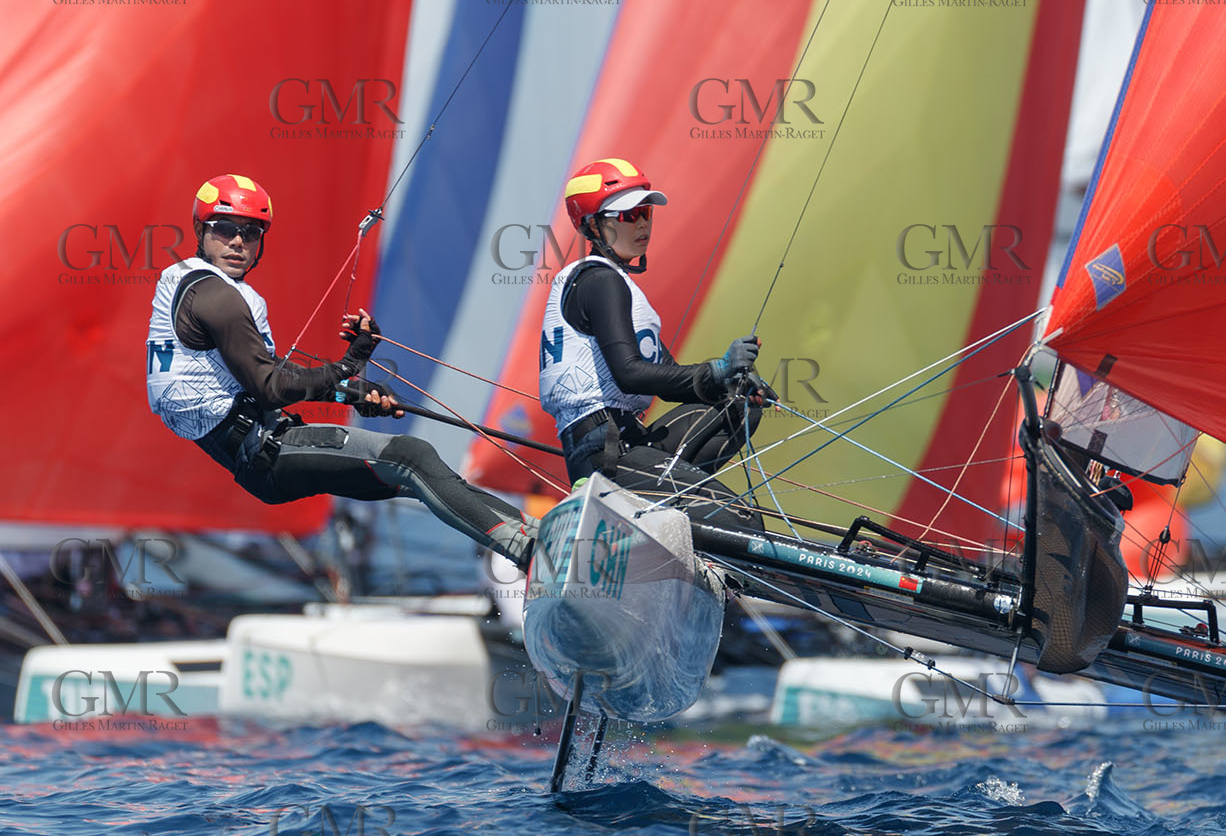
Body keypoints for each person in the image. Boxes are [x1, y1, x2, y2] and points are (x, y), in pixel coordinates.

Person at [146, 173, 538, 569]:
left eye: (251, 232)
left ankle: (536, 534)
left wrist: (349, 391)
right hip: (270, 455)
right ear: (200, 228)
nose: (237, 241)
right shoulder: (216, 297)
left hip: (272, 448)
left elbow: (266, 377)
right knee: (411, 456)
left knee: (420, 475)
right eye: (225, 228)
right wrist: (347, 366)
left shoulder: (189, 286)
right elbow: (269, 387)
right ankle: (531, 552)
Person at [539, 158, 765, 525]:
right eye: (628, 215)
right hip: (603, 450)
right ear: (593, 225)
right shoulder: (599, 281)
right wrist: (716, 368)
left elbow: (671, 380)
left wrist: (730, 379)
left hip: (631, 439)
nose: (643, 222)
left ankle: (671, 515)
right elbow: (630, 374)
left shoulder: (620, 286)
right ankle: (674, 521)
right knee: (742, 519)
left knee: (739, 405)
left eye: (645, 212)